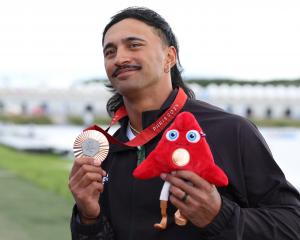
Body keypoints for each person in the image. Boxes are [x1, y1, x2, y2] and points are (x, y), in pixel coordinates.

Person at [68, 7, 300, 240]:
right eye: (110, 52)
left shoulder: (231, 131)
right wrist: (88, 219)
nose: (120, 58)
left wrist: (220, 216)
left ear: (169, 57)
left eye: (134, 45)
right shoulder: (107, 150)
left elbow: (292, 225)